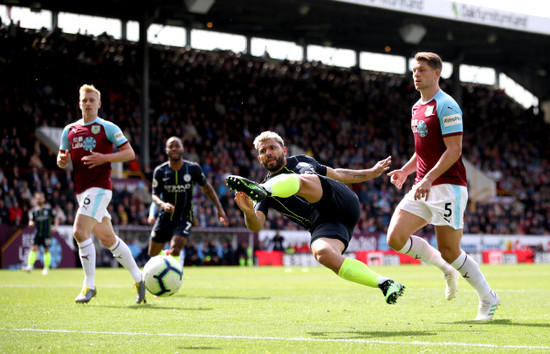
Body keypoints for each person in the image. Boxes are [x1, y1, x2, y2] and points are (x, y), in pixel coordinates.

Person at [227, 131, 405, 304]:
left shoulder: (300, 161)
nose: (268, 153)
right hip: (326, 223)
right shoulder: (261, 191)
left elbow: (338, 174)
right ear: (259, 159)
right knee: (322, 253)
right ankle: (385, 283)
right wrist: (248, 211)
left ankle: (267, 190)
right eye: (263, 151)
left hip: (340, 200)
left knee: (301, 181)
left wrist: (371, 173)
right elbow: (256, 226)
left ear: (284, 151)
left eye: (272, 148)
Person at [385, 52, 499, 320]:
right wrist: (405, 170)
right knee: (395, 237)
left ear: (437, 73)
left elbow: (454, 151)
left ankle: (488, 297)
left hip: (447, 186)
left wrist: (428, 178)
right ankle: (445, 269)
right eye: (414, 70)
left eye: (422, 70)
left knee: (451, 250)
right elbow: (422, 151)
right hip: (423, 184)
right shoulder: (416, 107)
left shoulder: (447, 106)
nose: (416, 74)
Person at [57, 84, 146, 304]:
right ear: (79, 104)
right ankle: (139, 279)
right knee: (108, 239)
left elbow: (129, 153)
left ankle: (89, 285)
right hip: (81, 191)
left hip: (100, 188)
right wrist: (61, 161)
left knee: (79, 231)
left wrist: (104, 158)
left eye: (91, 100)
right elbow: (61, 158)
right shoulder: (69, 130)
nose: (88, 103)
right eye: (84, 100)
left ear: (99, 104)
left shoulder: (107, 128)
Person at [148, 136, 228, 262]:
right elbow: (154, 195)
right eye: (171, 146)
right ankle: (162, 265)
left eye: (177, 145)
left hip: (184, 216)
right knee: (152, 254)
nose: (174, 148)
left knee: (176, 247)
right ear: (166, 150)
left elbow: (207, 188)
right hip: (165, 217)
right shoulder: (160, 171)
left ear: (182, 149)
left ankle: (172, 275)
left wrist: (219, 208)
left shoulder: (192, 168)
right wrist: (163, 205)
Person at [23, 191, 60, 275]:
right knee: (33, 248)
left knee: (46, 250)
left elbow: (56, 217)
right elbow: (31, 220)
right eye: (38, 198)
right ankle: (30, 266)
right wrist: (30, 223)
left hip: (47, 234)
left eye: (41, 198)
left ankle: (46, 268)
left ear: (43, 199)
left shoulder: (49, 209)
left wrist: (55, 226)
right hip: (37, 234)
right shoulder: (34, 211)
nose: (39, 200)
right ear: (35, 199)